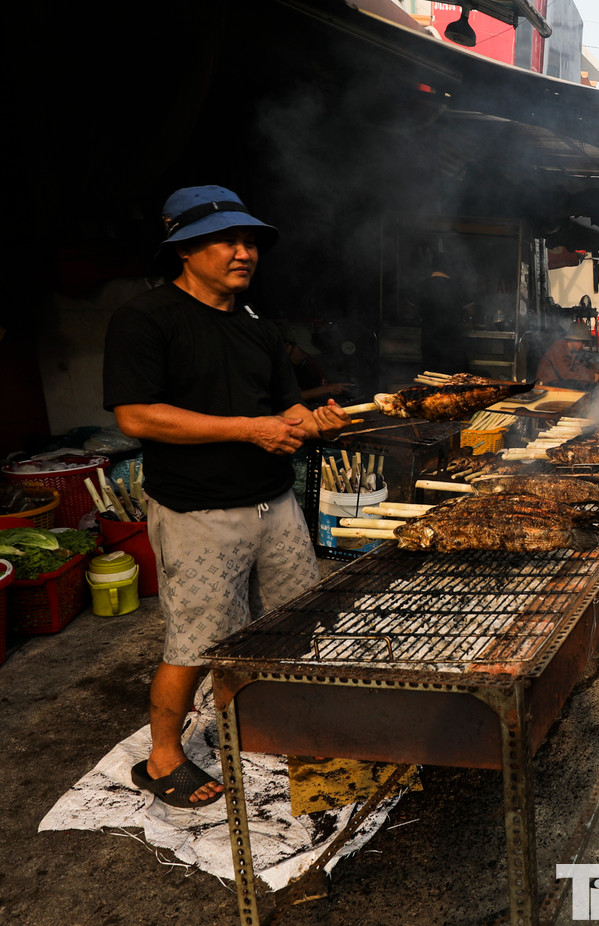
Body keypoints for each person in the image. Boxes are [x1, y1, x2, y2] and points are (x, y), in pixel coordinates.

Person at [104, 185, 351, 808]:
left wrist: (315, 422)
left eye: (250, 242)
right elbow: (136, 415)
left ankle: (273, 722)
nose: (245, 253)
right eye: (227, 241)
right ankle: (162, 758)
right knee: (198, 640)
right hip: (198, 510)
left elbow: (285, 409)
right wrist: (248, 429)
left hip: (275, 504)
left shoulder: (257, 328)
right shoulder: (146, 318)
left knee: (293, 623)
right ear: (184, 249)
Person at [416, 257, 475, 375]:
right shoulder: (457, 287)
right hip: (452, 340)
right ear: (449, 268)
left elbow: (409, 309)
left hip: (429, 339)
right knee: (452, 376)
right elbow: (471, 311)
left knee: (430, 375)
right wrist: (468, 320)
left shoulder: (422, 286)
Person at [538, 321, 599, 389]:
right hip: (548, 384)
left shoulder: (573, 351)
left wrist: (595, 372)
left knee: (587, 383)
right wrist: (592, 378)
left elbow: (578, 368)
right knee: (580, 384)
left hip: (560, 381)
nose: (584, 345)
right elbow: (566, 374)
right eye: (582, 342)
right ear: (574, 339)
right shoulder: (558, 349)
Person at [285, 338, 352, 405]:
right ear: (287, 346)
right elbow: (293, 397)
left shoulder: (301, 366)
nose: (305, 355)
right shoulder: (281, 368)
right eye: (303, 351)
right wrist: (326, 389)